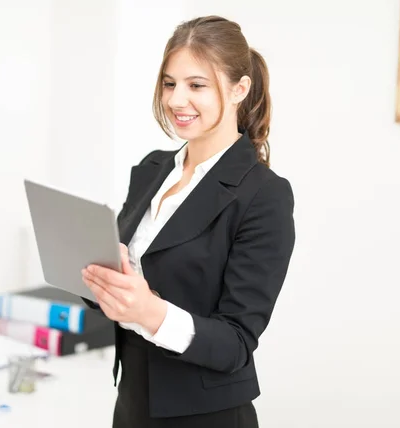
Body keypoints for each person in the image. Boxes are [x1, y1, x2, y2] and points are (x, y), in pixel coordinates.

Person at [81, 15, 295, 427]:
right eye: (169, 83)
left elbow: (236, 342)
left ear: (240, 89)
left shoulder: (263, 195)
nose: (177, 100)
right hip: (132, 403)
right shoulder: (152, 170)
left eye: (197, 85)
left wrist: (150, 311)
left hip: (205, 416)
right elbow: (126, 280)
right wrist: (99, 278)